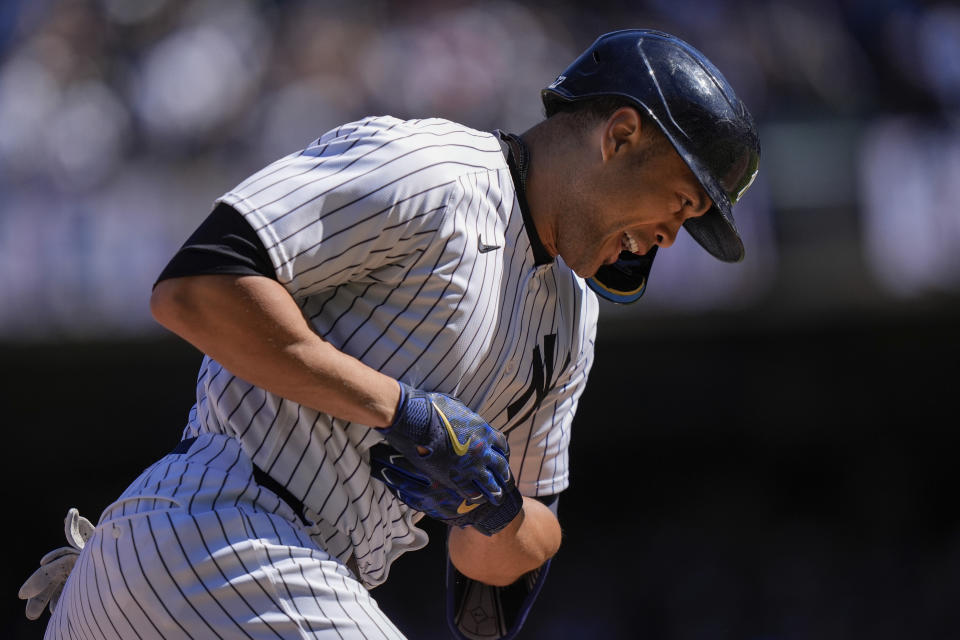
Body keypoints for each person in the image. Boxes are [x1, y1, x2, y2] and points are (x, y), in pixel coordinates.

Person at [20, 29, 759, 639]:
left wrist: (492, 507)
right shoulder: (435, 172)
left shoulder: (570, 321)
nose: (672, 235)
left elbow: (508, 569)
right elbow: (195, 290)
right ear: (621, 135)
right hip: (215, 531)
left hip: (240, 582)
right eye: (682, 199)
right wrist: (404, 412)